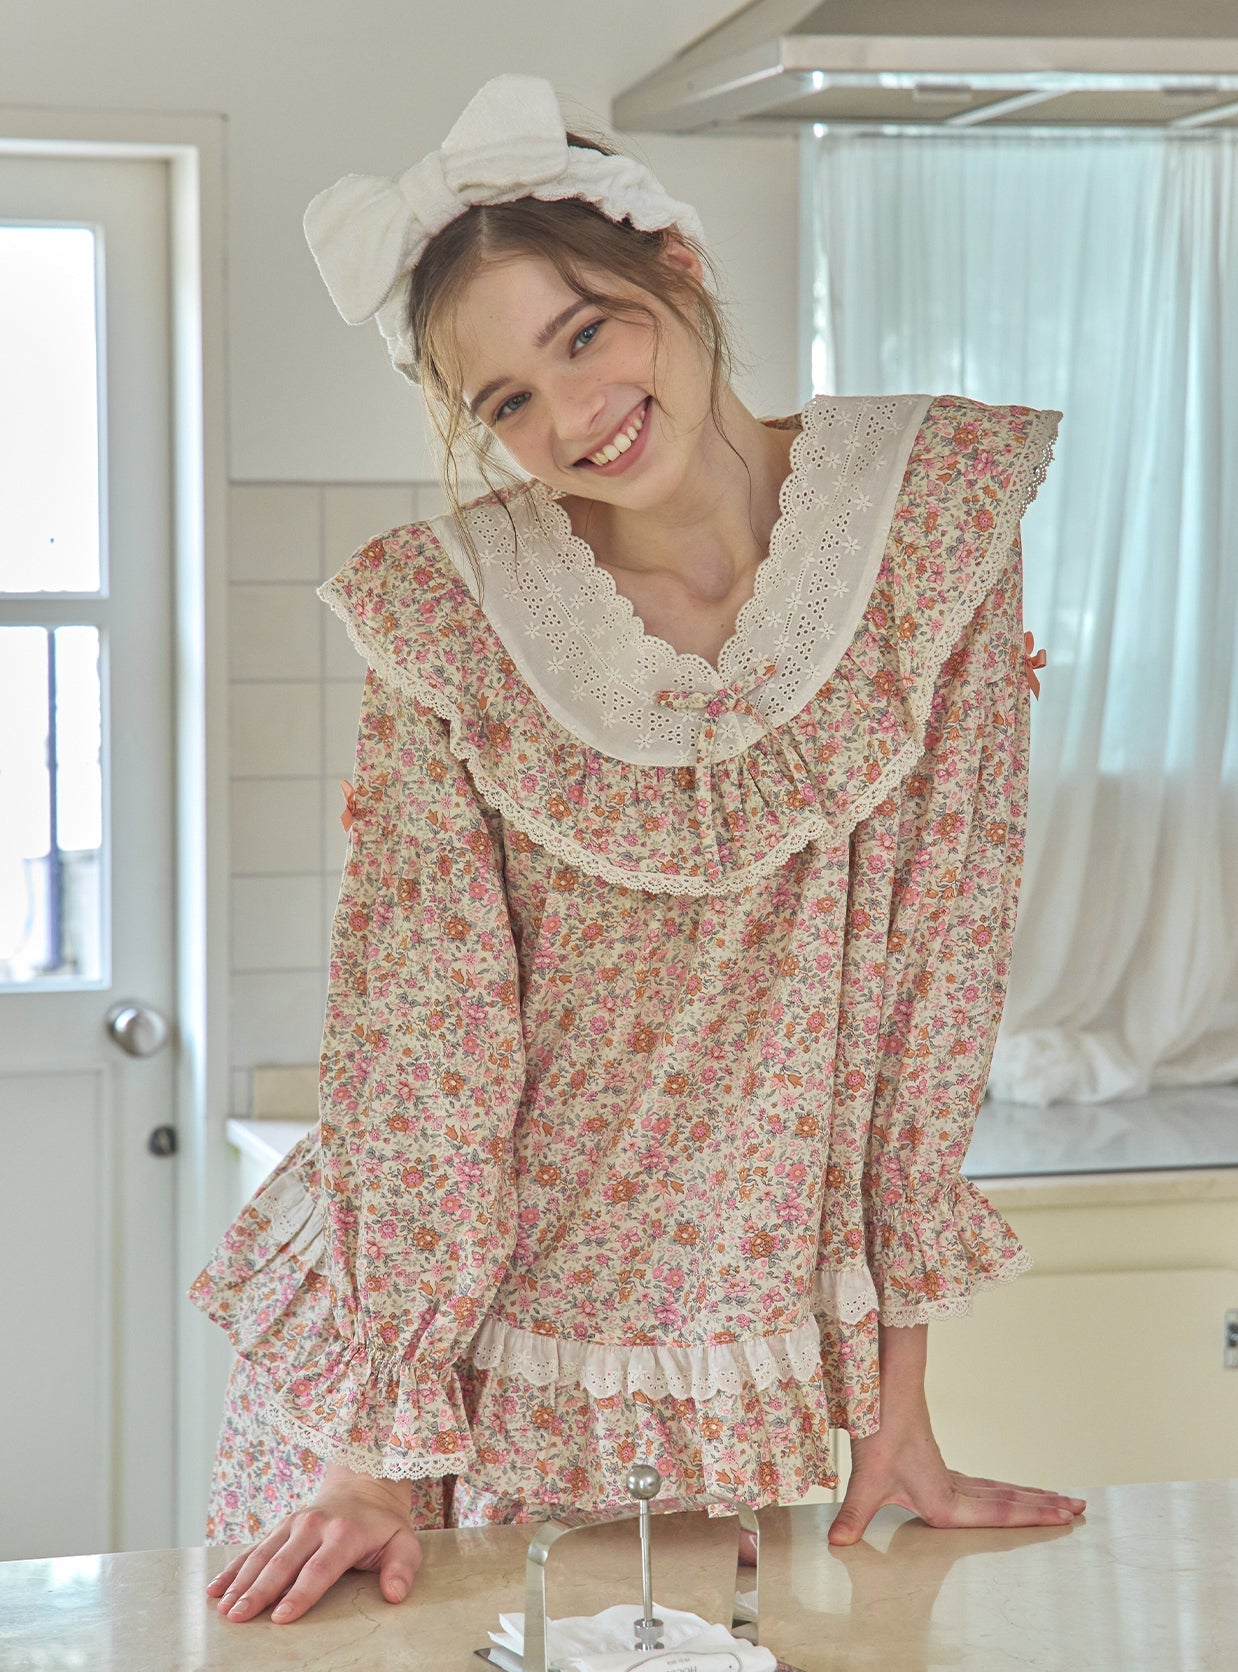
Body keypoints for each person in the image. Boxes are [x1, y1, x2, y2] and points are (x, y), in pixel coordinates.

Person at [192, 73, 1083, 1627]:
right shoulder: (452, 618)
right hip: (460, 1381)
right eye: (505, 403)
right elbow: (423, 1046)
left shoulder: (928, 522)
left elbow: (929, 989)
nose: (569, 418)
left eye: (583, 334)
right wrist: (372, 1456)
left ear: (674, 265)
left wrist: (895, 1413)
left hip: (731, 1369)